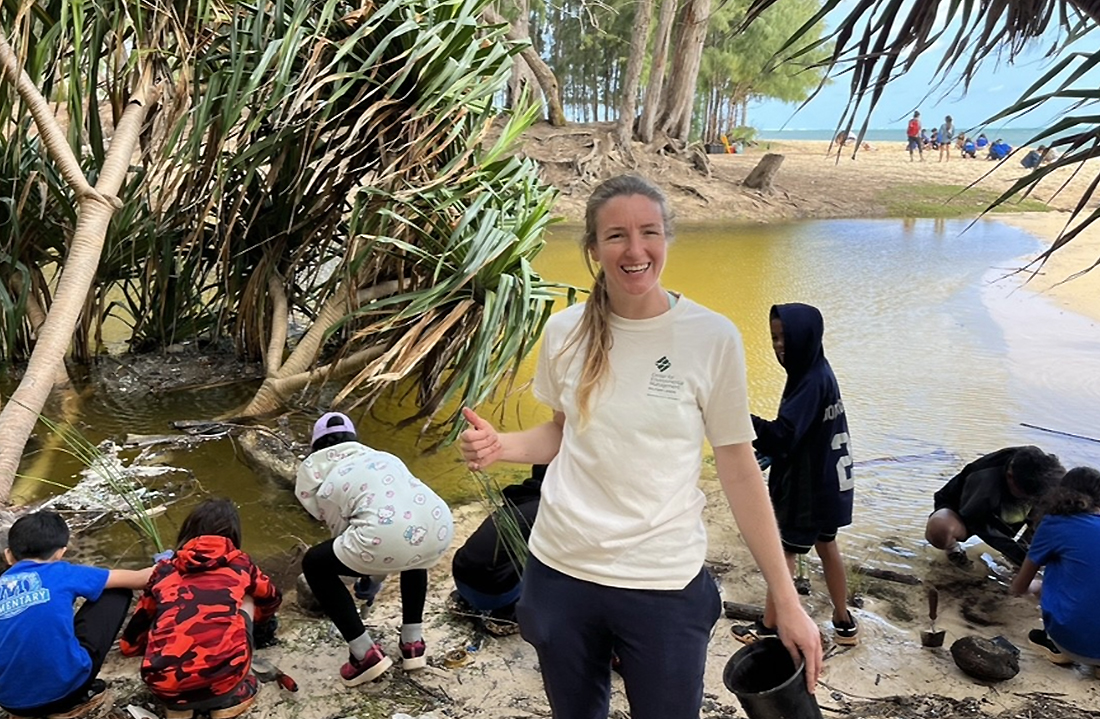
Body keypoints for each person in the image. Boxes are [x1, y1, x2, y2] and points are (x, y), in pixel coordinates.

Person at [459, 174, 822, 719]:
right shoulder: (564, 332)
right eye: (616, 236)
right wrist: (499, 446)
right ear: (593, 248)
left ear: (667, 239)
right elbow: (562, 434)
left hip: (662, 581)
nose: (635, 250)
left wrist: (787, 600)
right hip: (561, 571)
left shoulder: (711, 337)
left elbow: (740, 470)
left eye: (649, 232)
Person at [297, 411, 454, 686]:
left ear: (317, 450)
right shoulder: (383, 458)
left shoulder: (329, 482)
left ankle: (364, 655)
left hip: (387, 538)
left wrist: (365, 579)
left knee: (314, 563)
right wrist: (372, 578)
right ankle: (412, 644)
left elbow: (346, 541)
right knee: (414, 554)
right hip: (439, 525)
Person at [736, 304, 857, 647]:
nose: (778, 345)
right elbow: (803, 432)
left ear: (806, 337)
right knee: (827, 544)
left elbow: (783, 435)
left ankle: (770, 627)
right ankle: (843, 619)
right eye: (774, 337)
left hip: (809, 487)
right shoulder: (820, 371)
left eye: (785, 337)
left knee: (784, 552)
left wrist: (735, 415)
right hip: (831, 484)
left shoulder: (809, 381)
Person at [120, 499, 282, 718]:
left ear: (189, 531)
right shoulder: (241, 565)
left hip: (165, 685)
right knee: (248, 597)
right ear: (233, 534)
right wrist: (257, 623)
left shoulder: (165, 569)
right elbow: (272, 597)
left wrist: (133, 646)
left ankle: (180, 709)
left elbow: (137, 628)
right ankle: (229, 702)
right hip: (225, 678)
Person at [0, 511, 153, 718]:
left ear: (9, 555)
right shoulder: (62, 572)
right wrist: (168, 563)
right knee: (116, 591)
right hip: (65, 692)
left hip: (10, 702)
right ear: (61, 552)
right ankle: (79, 686)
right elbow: (139, 579)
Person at [1010, 467, 1100, 674]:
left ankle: (1056, 645)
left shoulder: (1054, 524)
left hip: (1073, 645)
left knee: (1047, 578)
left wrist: (1032, 587)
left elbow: (1019, 586)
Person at [926, 446, 1064, 567]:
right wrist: (1015, 552)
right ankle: (953, 551)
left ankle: (1018, 561)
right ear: (1010, 477)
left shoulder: (1047, 476)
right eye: (1025, 495)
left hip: (1008, 515)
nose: (1030, 499)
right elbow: (977, 523)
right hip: (967, 514)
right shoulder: (985, 477)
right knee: (940, 527)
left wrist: (1028, 555)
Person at [450, 465, 546, 634]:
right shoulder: (546, 511)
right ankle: (505, 616)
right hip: (492, 594)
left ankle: (464, 602)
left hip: (461, 575)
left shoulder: (520, 498)